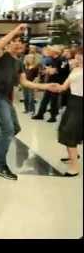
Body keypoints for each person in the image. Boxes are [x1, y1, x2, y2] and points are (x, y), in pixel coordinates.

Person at [0, 25, 61, 180]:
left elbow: (25, 83)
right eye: (15, 41)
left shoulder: (19, 63)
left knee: (15, 128)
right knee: (7, 130)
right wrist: (14, 31)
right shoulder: (2, 55)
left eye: (21, 42)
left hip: (6, 98)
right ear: (10, 43)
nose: (19, 44)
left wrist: (46, 86)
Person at [54, 47, 82, 177]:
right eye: (78, 55)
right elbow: (64, 86)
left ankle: (75, 167)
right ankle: (73, 156)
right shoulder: (75, 69)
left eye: (81, 55)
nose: (78, 57)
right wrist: (53, 87)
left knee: (70, 132)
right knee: (64, 130)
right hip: (72, 102)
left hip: (80, 103)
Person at [32, 45, 64, 123]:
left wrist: (50, 70)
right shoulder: (52, 59)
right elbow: (50, 70)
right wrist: (49, 70)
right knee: (45, 99)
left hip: (57, 82)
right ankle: (40, 114)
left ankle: (53, 116)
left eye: (49, 50)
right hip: (50, 81)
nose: (48, 52)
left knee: (54, 100)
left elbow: (55, 71)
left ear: (54, 52)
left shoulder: (61, 60)